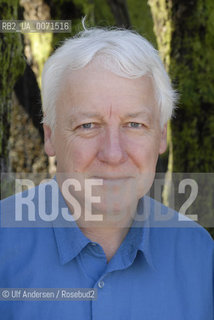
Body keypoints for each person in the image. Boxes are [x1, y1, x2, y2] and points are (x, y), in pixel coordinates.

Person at [0, 25, 213, 320]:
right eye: (88, 125)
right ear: (50, 137)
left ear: (162, 137)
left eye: (134, 125)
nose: (113, 154)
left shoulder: (199, 255)